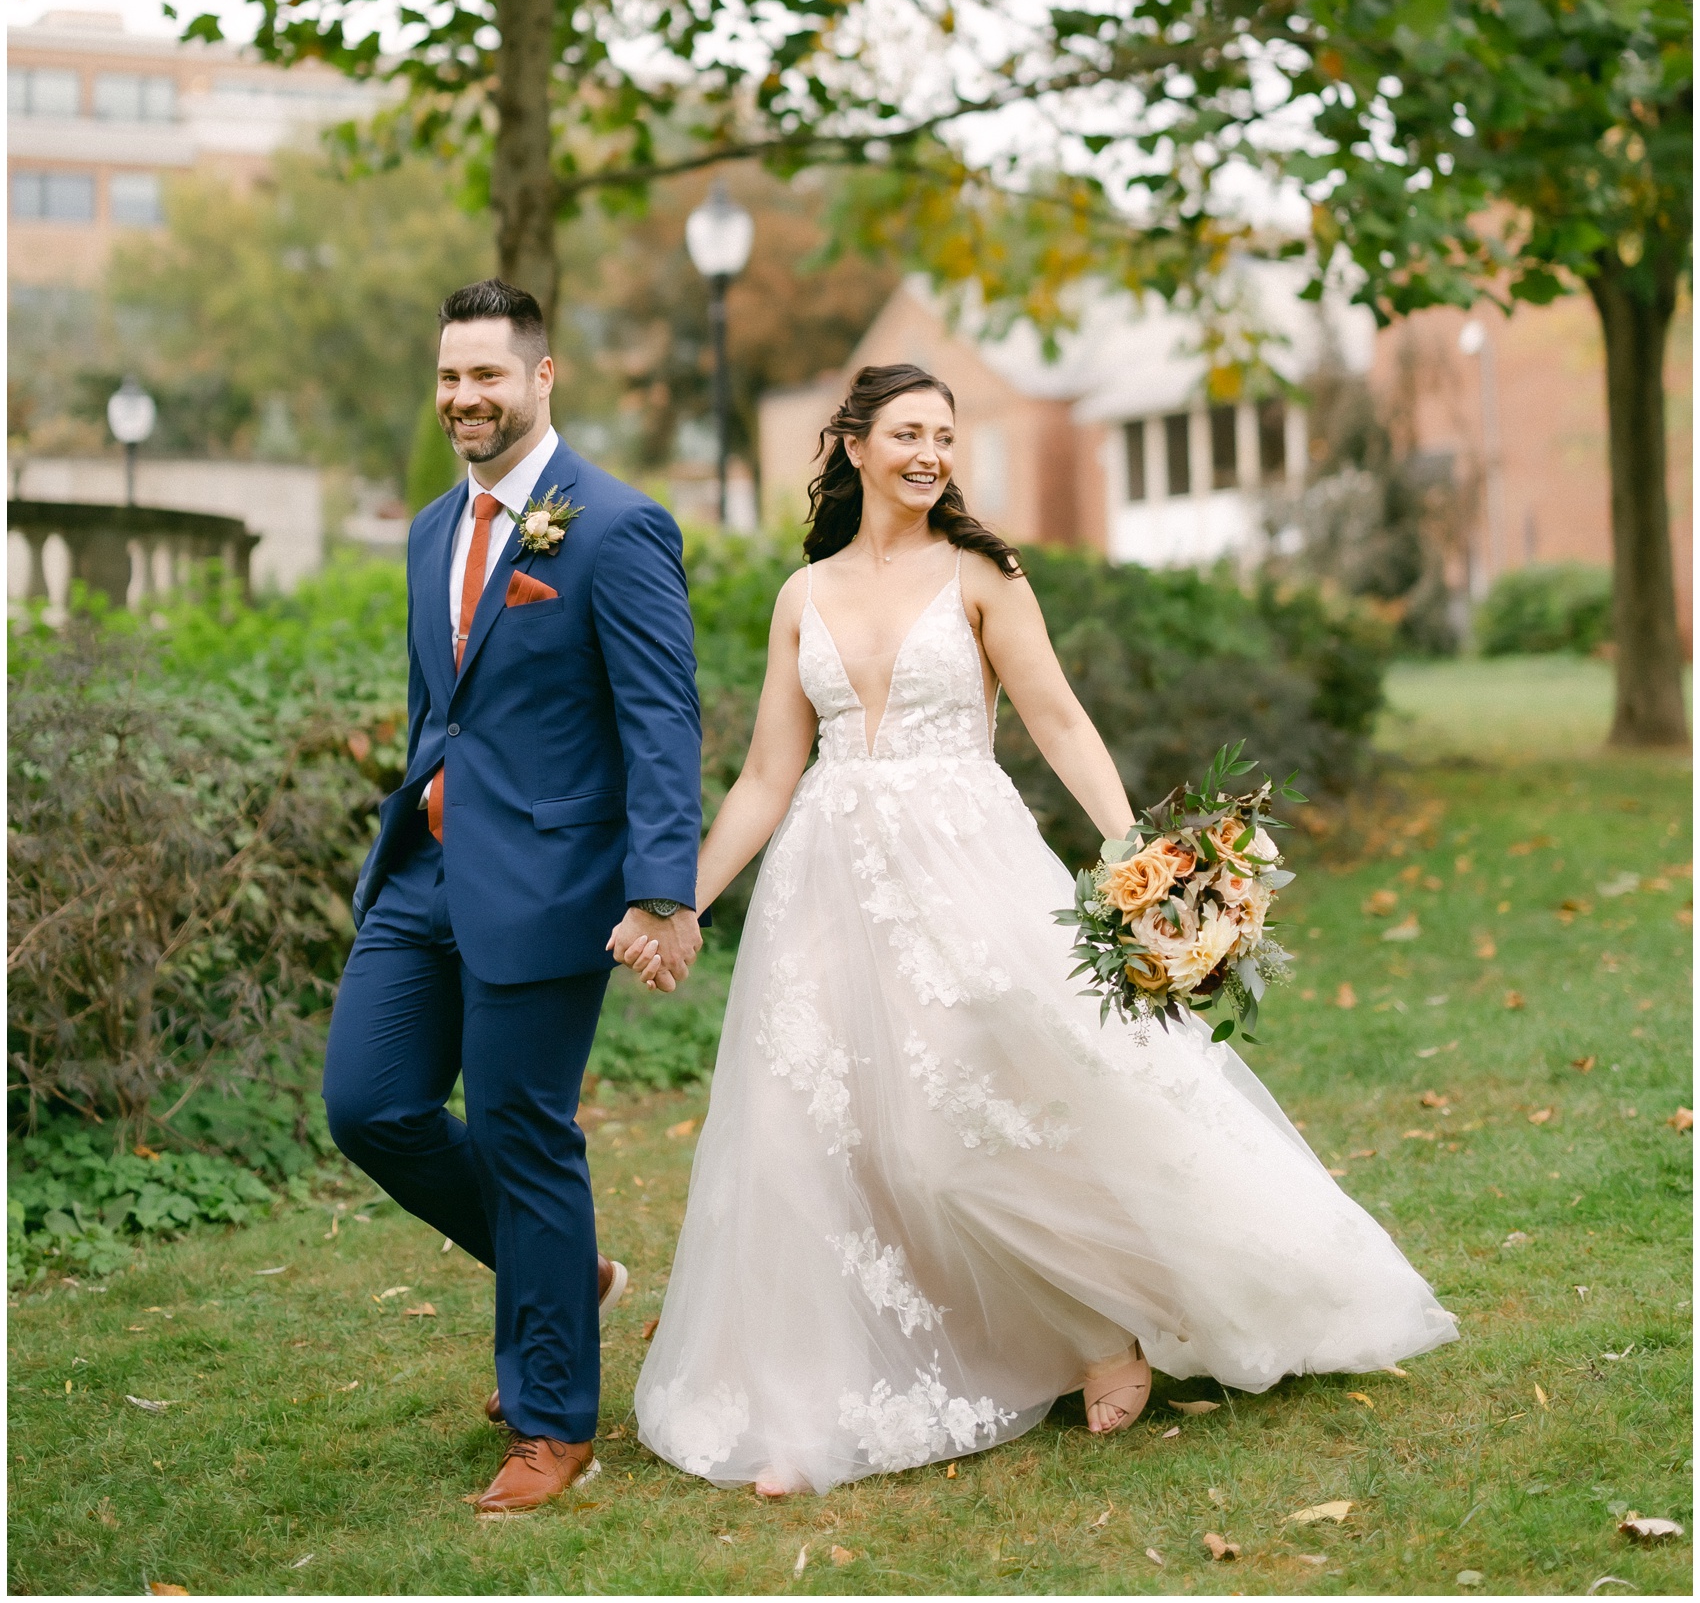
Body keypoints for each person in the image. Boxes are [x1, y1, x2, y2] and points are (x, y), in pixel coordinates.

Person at [631, 363, 1457, 1496]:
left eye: (944, 434)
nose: (929, 452)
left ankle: (1096, 1328)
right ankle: (804, 1395)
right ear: (855, 444)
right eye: (907, 432)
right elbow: (769, 773)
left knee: (963, 1127)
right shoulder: (800, 593)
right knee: (807, 1130)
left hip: (961, 862)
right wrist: (685, 898)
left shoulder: (980, 572)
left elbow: (1057, 716)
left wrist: (1136, 863)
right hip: (824, 878)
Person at [323, 278, 704, 1515]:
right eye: (447, 375)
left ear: (542, 378)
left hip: (548, 880)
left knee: (523, 1133)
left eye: (486, 373)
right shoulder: (432, 527)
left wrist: (661, 891)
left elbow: (659, 721)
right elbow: (447, 707)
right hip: (425, 871)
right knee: (367, 1102)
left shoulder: (614, 526)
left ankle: (553, 1422)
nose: (462, 396)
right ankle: (566, 1277)